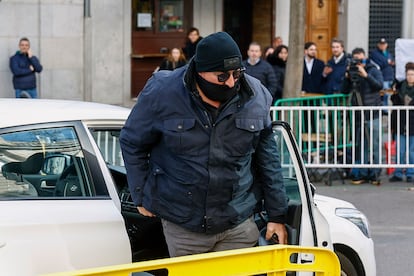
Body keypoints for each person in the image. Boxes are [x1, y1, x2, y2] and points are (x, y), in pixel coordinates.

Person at [119, 31, 288, 257]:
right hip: (183, 226)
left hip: (237, 223)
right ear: (200, 72)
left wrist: (277, 216)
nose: (230, 82)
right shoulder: (163, 92)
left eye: (237, 74)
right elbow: (132, 142)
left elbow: (268, 159)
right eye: (221, 76)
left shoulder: (257, 95)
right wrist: (140, 195)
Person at [341, 47, 383, 185]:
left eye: (359, 59)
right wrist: (347, 77)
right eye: (355, 59)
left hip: (373, 114)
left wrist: (366, 75)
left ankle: (375, 173)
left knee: (375, 145)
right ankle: (363, 172)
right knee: (362, 146)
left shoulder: (373, 70)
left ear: (364, 57)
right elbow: (344, 91)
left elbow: (379, 86)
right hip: (359, 114)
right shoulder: (352, 72)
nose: (357, 62)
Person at [389, 62, 414, 183]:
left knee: (412, 151)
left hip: (413, 124)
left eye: (412, 74)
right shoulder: (399, 87)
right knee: (400, 150)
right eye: (408, 74)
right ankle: (398, 173)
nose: (410, 77)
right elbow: (394, 104)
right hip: (400, 122)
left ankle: (411, 173)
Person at [301, 42, 326, 134]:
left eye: (315, 50)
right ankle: (304, 141)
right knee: (304, 119)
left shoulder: (320, 63)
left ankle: (314, 141)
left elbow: (322, 79)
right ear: (305, 51)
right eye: (311, 49)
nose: (313, 52)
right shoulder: (300, 63)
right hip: (303, 96)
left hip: (316, 95)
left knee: (314, 119)